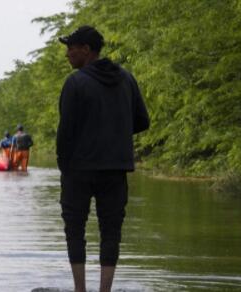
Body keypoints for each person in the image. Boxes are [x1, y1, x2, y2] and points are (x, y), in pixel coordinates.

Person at [56, 25, 149, 292]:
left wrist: (64, 165)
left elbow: (65, 132)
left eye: (70, 49)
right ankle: (105, 290)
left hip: (78, 169)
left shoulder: (75, 83)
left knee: (75, 229)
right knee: (111, 231)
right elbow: (142, 121)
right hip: (115, 168)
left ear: (86, 50)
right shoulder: (127, 78)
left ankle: (80, 289)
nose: (67, 55)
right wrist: (114, 128)